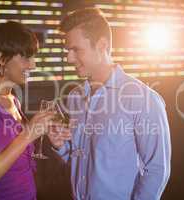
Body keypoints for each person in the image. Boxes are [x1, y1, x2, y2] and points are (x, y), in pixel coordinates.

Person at [48, 8, 171, 200]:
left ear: (102, 45)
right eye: (67, 50)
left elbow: (156, 170)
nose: (69, 58)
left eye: (76, 50)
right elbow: (79, 160)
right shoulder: (75, 97)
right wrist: (61, 146)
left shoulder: (143, 99)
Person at [0, 21, 57, 200]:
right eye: (26, 57)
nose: (33, 66)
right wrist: (28, 135)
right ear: (1, 59)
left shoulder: (12, 99)